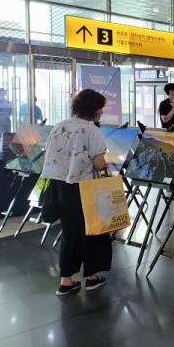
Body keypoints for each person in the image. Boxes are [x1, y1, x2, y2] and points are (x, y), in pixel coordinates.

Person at [40, 89, 111, 296]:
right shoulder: (91, 130)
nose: (102, 112)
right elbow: (99, 164)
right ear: (93, 109)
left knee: (69, 232)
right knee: (91, 231)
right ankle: (91, 278)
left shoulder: (59, 126)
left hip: (59, 186)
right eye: (100, 108)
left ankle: (66, 281)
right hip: (83, 188)